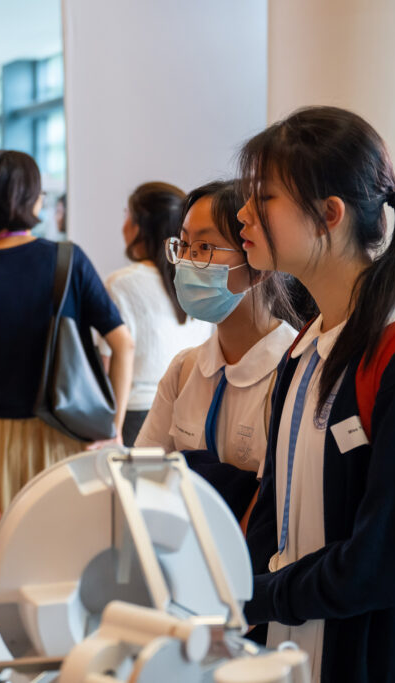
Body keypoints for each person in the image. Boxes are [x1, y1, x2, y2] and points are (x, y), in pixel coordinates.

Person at [237, 106, 395, 683]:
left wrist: (258, 596)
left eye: (263, 198)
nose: (242, 214)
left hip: (379, 660)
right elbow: (277, 512)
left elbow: (390, 563)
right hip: (298, 651)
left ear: (330, 214)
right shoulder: (309, 346)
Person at [0, 150, 134, 620]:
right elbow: (124, 346)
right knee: (63, 567)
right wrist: (114, 427)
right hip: (66, 437)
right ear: (30, 198)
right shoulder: (67, 259)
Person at [133, 180, 298, 519]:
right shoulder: (185, 369)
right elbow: (141, 476)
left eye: (205, 247)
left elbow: (278, 510)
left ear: (258, 261)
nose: (188, 262)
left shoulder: (294, 370)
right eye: (185, 245)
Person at [102, 182, 212, 445]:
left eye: (127, 214)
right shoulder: (197, 280)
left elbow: (108, 364)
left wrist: (110, 428)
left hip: (134, 417)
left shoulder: (120, 284)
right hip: (192, 413)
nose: (123, 225)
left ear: (139, 227)